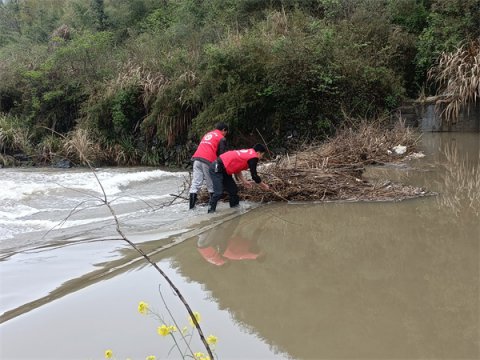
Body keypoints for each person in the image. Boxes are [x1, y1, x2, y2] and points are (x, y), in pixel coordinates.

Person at [207, 143, 270, 213]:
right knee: (218, 192)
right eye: (262, 155)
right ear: (258, 153)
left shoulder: (249, 153)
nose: (261, 157)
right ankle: (210, 212)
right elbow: (254, 176)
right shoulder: (253, 157)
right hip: (217, 167)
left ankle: (234, 211)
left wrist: (244, 181)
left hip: (225, 170)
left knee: (233, 190)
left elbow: (237, 168)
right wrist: (264, 186)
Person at [189, 122, 229, 209]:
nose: (226, 134)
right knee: (211, 183)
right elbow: (222, 155)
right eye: (226, 132)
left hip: (196, 159)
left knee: (195, 183)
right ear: (223, 130)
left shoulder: (208, 134)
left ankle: (191, 208)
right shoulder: (221, 138)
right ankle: (212, 208)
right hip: (208, 160)